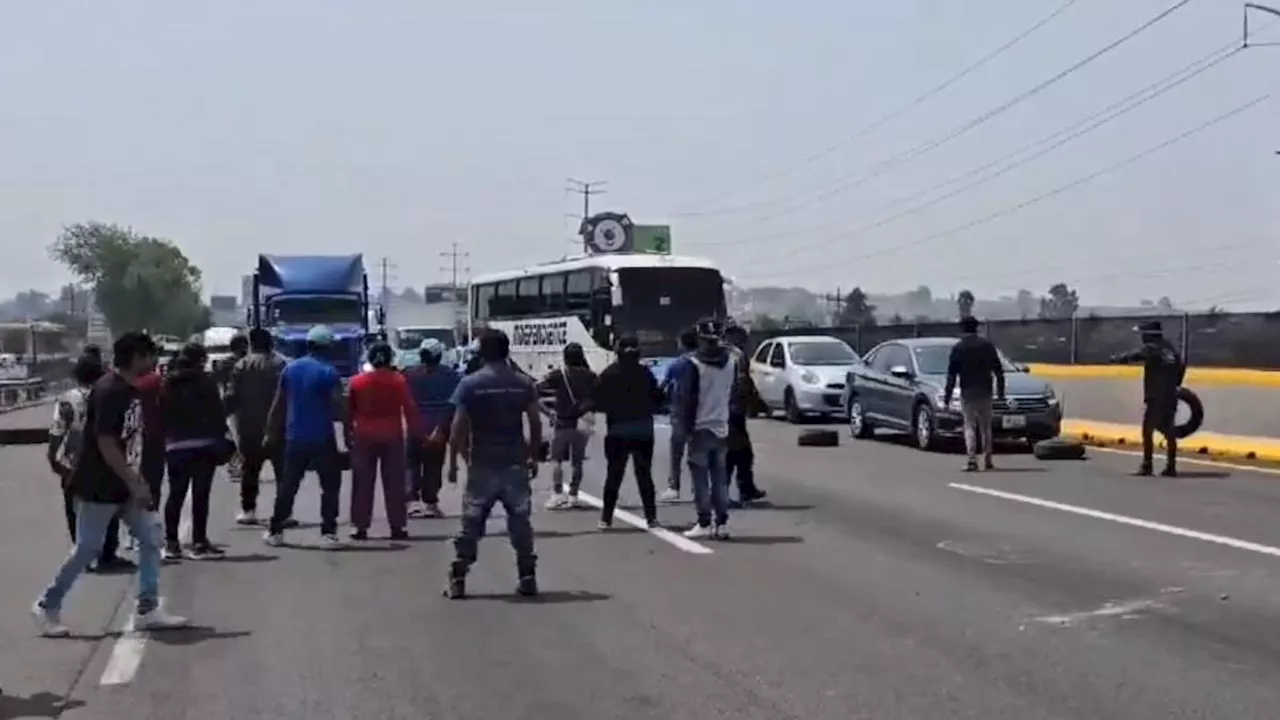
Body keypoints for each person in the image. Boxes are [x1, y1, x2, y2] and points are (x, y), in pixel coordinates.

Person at [32, 331, 188, 636]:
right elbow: (106, 442)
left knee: (151, 536)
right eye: (149, 355)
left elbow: (128, 441)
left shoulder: (129, 389)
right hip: (99, 485)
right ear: (136, 357)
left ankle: (147, 607)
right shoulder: (110, 391)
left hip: (122, 484)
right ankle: (46, 605)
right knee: (87, 549)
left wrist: (136, 479)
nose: (154, 361)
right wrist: (133, 480)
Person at [445, 329, 542, 599]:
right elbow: (534, 423)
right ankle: (527, 575)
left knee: (472, 523)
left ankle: (459, 576)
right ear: (507, 350)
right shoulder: (523, 383)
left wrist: (454, 462)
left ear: (481, 353)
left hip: (482, 464)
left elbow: (458, 429)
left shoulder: (471, 384)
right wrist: (533, 456)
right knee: (520, 522)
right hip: (514, 463)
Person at [46, 353, 131, 573]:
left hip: (74, 461)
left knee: (75, 508)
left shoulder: (67, 398)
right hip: (104, 459)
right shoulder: (107, 393)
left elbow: (58, 429)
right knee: (109, 506)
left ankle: (84, 555)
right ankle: (108, 554)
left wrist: (52, 455)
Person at [264, 325, 346, 548]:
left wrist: (270, 432)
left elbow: (278, 404)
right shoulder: (329, 372)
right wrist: (349, 432)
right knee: (329, 486)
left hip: (294, 437)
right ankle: (328, 533)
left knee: (288, 485)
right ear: (326, 347)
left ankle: (275, 531)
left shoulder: (291, 370)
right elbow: (339, 405)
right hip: (322, 437)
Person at [160, 343, 230, 560]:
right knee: (201, 495)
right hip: (204, 444)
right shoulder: (206, 382)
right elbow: (218, 413)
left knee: (176, 494)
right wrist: (223, 437)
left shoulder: (168, 383)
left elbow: (160, 411)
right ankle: (199, 542)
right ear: (200, 360)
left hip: (175, 446)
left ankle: (171, 543)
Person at [670, 318, 736, 539]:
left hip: (699, 427)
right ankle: (722, 522)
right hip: (722, 426)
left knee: (700, 480)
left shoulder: (693, 364)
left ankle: (704, 521)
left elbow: (687, 399)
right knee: (720, 479)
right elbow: (733, 392)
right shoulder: (731, 362)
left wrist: (686, 428)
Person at [347, 341, 417, 540]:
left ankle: (359, 526)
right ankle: (398, 526)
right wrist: (415, 432)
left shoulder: (357, 381)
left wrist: (347, 433)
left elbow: (348, 411)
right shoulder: (398, 381)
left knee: (362, 483)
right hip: (392, 436)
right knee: (395, 483)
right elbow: (409, 407)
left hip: (364, 436)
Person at [594, 336, 661, 529]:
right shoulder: (645, 373)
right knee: (644, 475)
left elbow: (598, 400)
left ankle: (606, 518)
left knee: (614, 475)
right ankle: (651, 517)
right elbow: (657, 398)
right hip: (643, 429)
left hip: (617, 430)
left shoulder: (609, 374)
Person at [226, 328, 286, 524]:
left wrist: (222, 420)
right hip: (277, 426)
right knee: (282, 472)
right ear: (271, 343)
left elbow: (231, 396)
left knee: (250, 470)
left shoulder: (242, 365)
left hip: (249, 427)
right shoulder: (280, 364)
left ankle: (249, 511)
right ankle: (284, 512)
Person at [1111, 320, 1185, 477]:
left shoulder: (1152, 348)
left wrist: (1115, 359)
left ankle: (1147, 465)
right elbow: (1181, 367)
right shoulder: (1170, 349)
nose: (1142, 337)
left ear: (1149, 335)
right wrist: (1175, 385)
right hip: (1171, 395)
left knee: (1147, 430)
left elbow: (1133, 356)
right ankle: (1171, 466)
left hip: (1155, 396)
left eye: (1143, 334)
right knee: (1169, 429)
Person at [404, 338, 460, 518]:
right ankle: (430, 502)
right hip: (439, 426)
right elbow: (454, 404)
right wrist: (441, 429)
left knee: (411, 464)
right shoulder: (451, 375)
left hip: (415, 425)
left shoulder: (408, 374)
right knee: (434, 465)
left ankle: (412, 501)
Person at [943, 316, 1006, 472]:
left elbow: (951, 375)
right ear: (976, 328)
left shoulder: (958, 348)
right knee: (986, 427)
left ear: (962, 329)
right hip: (985, 390)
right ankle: (988, 459)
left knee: (969, 425)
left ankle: (972, 459)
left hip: (968, 392)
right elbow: (998, 370)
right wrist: (1000, 393)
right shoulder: (987, 345)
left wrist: (947, 397)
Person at [539, 342, 597, 510]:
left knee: (556, 459)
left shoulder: (559, 375)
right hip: (583, 422)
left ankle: (557, 494)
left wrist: (548, 412)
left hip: (563, 422)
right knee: (577, 462)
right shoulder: (591, 375)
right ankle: (573, 494)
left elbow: (535, 390)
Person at [723, 320, 767, 506]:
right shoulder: (735, 355)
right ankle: (726, 493)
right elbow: (743, 383)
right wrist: (753, 403)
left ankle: (746, 489)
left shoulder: (716, 352)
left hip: (720, 410)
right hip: (732, 410)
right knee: (734, 453)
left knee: (742, 452)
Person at [659, 330, 699, 503]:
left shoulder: (678, 364)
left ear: (682, 344)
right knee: (697, 453)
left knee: (676, 452)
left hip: (680, 412)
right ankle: (698, 488)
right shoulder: (703, 362)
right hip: (701, 411)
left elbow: (664, 385)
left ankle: (673, 486)